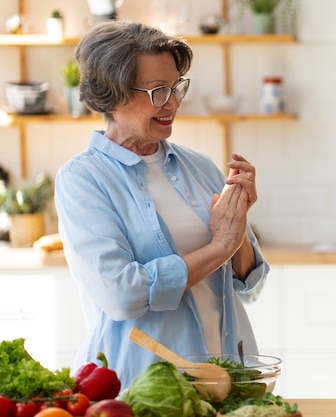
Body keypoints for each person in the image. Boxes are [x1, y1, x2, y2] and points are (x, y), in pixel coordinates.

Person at [54, 20, 269, 390]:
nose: (172, 103)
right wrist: (220, 247)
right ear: (112, 94)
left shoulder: (199, 166)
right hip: (145, 388)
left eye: (175, 87)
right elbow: (122, 295)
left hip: (228, 379)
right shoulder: (82, 179)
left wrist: (238, 229)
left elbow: (249, 285)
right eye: (156, 91)